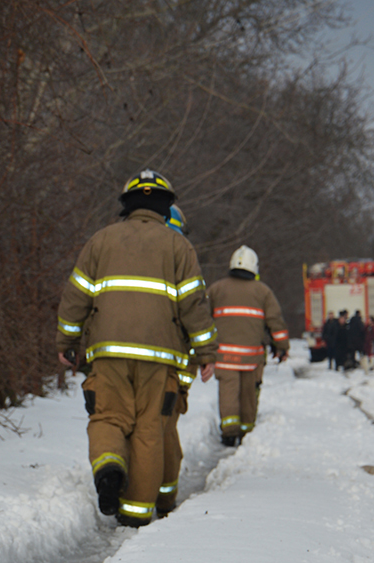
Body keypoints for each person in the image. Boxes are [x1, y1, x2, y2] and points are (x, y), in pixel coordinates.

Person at [57, 171, 217, 527]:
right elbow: (194, 305)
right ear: (166, 206)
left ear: (126, 205)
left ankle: (109, 466)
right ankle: (135, 514)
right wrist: (206, 354)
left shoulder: (100, 241)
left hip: (107, 354)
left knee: (107, 418)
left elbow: (75, 297)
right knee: (149, 430)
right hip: (160, 361)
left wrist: (67, 342)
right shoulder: (179, 246)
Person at [206, 245, 289, 446]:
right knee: (249, 396)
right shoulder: (263, 292)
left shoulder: (216, 289)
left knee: (228, 395)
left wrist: (203, 350)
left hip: (224, 357)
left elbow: (201, 318)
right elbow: (275, 322)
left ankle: (228, 433)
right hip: (252, 359)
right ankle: (246, 433)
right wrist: (282, 347)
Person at [157, 204, 198, 517]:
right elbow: (195, 324)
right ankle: (162, 500)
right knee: (164, 436)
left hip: (117, 367)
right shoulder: (184, 260)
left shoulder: (123, 253)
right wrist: (183, 384)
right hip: (166, 372)